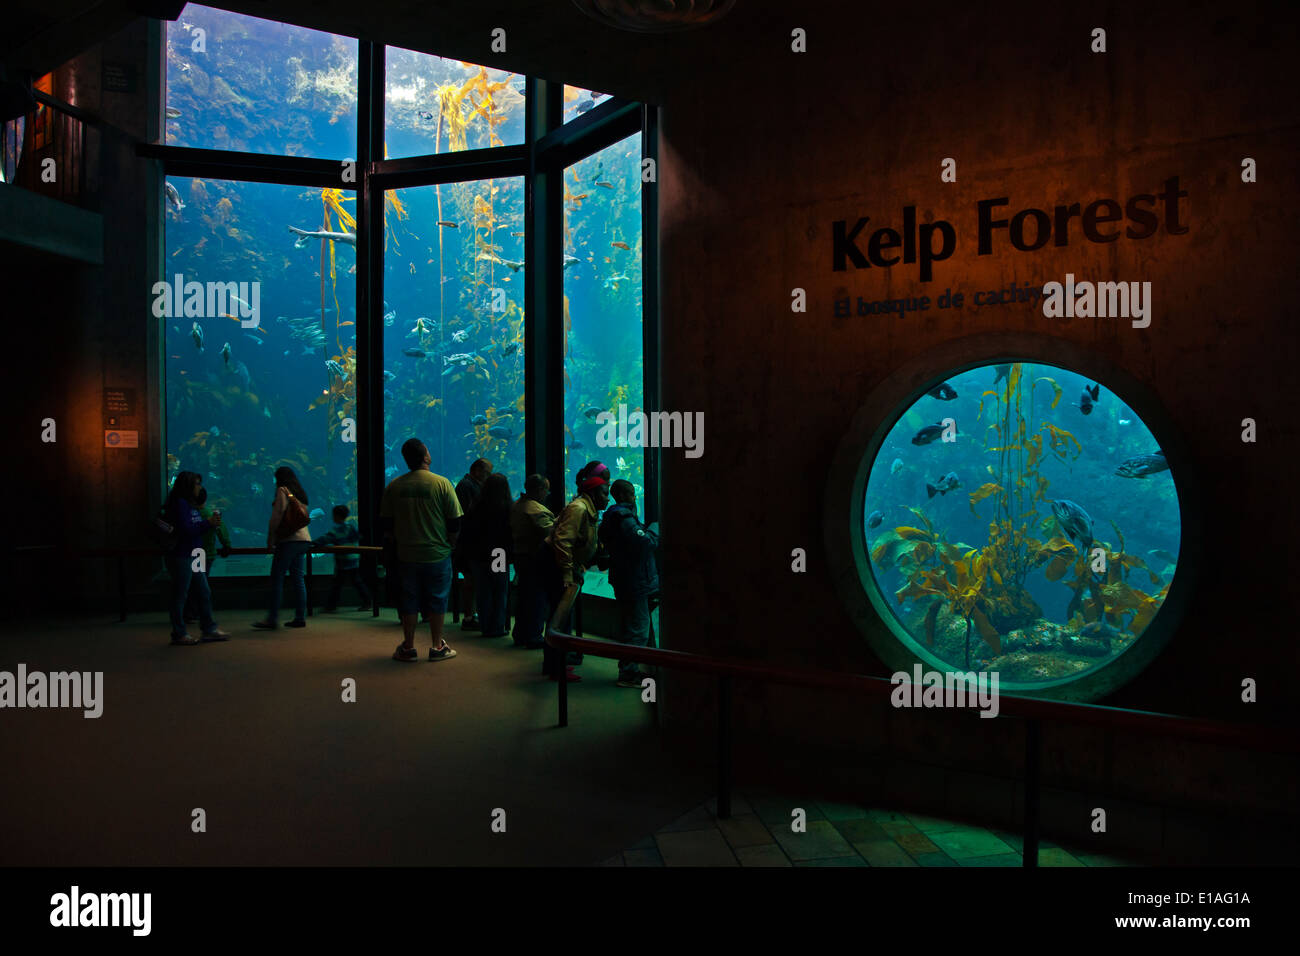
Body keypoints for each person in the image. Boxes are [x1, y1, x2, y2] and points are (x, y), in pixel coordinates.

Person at [383, 438, 463, 662]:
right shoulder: (442, 483)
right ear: (426, 456)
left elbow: (386, 525)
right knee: (438, 600)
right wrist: (451, 543)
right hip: (437, 554)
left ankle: (408, 647)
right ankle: (437, 646)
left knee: (409, 601)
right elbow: (455, 521)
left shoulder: (394, 486)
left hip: (406, 555)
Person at [538, 461, 612, 682]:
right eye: (605, 493)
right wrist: (567, 574)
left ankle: (557, 662)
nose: (608, 498)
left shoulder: (587, 509)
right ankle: (555, 667)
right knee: (559, 617)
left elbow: (577, 543)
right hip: (555, 566)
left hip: (562, 565)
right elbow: (562, 541)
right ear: (594, 491)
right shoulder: (579, 508)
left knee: (562, 616)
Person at [598, 479, 659, 687]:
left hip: (626, 579)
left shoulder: (612, 517)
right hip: (635, 581)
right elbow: (644, 542)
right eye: (632, 493)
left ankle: (629, 668)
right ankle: (629, 674)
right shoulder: (623, 517)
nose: (635, 497)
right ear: (624, 495)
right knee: (639, 628)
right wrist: (655, 529)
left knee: (631, 626)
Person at [163, 471, 229, 645]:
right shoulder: (180, 504)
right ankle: (179, 633)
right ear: (188, 486)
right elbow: (185, 530)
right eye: (197, 484)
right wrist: (208, 523)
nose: (200, 487)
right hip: (183, 555)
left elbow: (195, 528)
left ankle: (209, 628)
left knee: (203, 591)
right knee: (180, 594)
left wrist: (209, 524)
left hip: (196, 554)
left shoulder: (192, 505)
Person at [253, 466, 313, 630]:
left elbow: (277, 515)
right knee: (298, 580)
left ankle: (272, 618)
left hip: (289, 540)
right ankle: (300, 617)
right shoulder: (300, 493)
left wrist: (270, 537)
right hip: (304, 539)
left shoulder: (282, 491)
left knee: (277, 578)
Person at [461, 473, 513, 638]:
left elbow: (467, 532)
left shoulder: (476, 506)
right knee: (499, 591)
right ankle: (497, 626)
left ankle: (485, 626)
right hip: (498, 554)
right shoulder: (507, 507)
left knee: (483, 591)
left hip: (478, 555)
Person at [509, 474, 555, 648]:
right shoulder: (536, 510)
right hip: (534, 560)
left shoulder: (517, 505)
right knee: (536, 599)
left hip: (521, 557)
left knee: (524, 598)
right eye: (546, 490)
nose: (548, 493)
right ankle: (533, 636)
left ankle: (520, 634)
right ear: (540, 490)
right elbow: (551, 533)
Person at [453, 458, 492, 629]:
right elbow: (466, 515)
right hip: (470, 543)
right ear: (477, 470)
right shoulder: (466, 486)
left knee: (475, 580)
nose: (488, 476)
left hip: (476, 544)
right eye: (487, 473)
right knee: (470, 580)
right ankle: (469, 616)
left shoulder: (472, 485)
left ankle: (475, 614)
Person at [184, 485, 231, 624]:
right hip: (207, 554)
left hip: (193, 553)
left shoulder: (190, 514)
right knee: (201, 585)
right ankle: (196, 613)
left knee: (194, 584)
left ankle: (191, 612)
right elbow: (221, 530)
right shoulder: (210, 514)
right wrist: (227, 545)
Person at [313, 505, 372, 612]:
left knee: (337, 584)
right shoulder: (351, 527)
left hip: (343, 562)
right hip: (354, 559)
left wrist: (313, 543)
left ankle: (331, 606)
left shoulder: (336, 530)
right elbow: (359, 537)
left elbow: (325, 539)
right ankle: (367, 602)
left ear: (337, 516)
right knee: (357, 582)